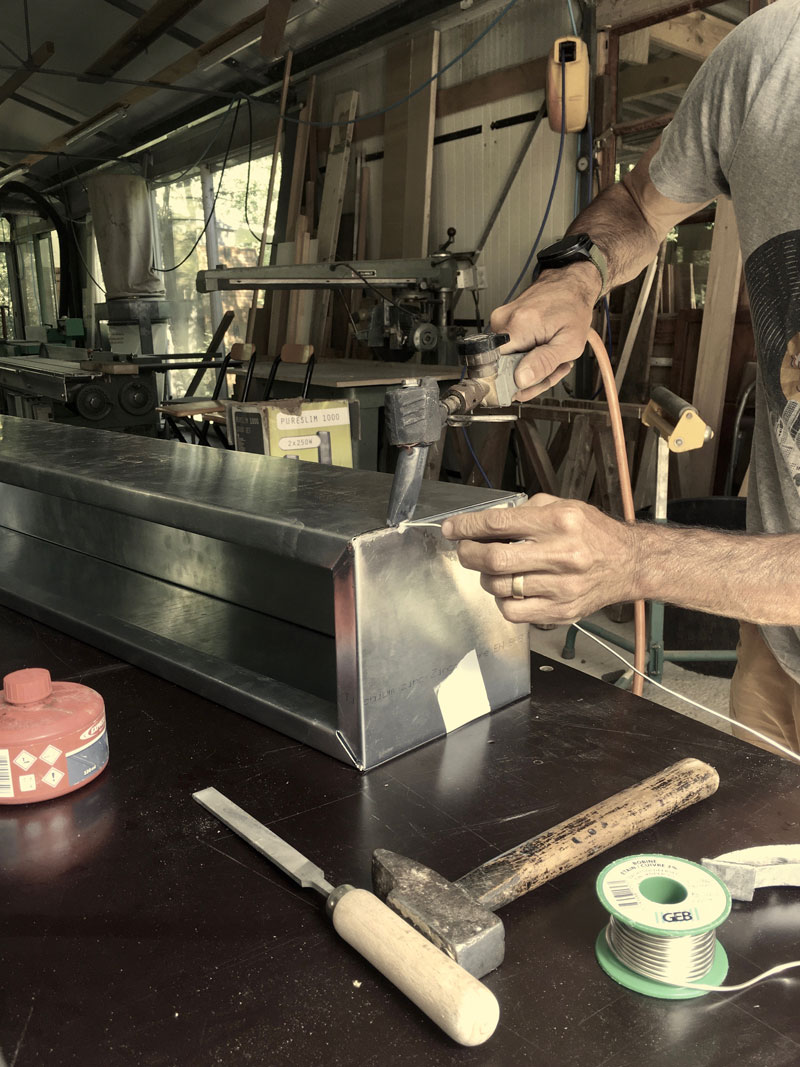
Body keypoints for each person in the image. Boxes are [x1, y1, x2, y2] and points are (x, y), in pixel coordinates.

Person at [441, 0, 800, 758]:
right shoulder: (767, 59)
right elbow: (640, 204)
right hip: (776, 639)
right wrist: (578, 273)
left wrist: (632, 559)